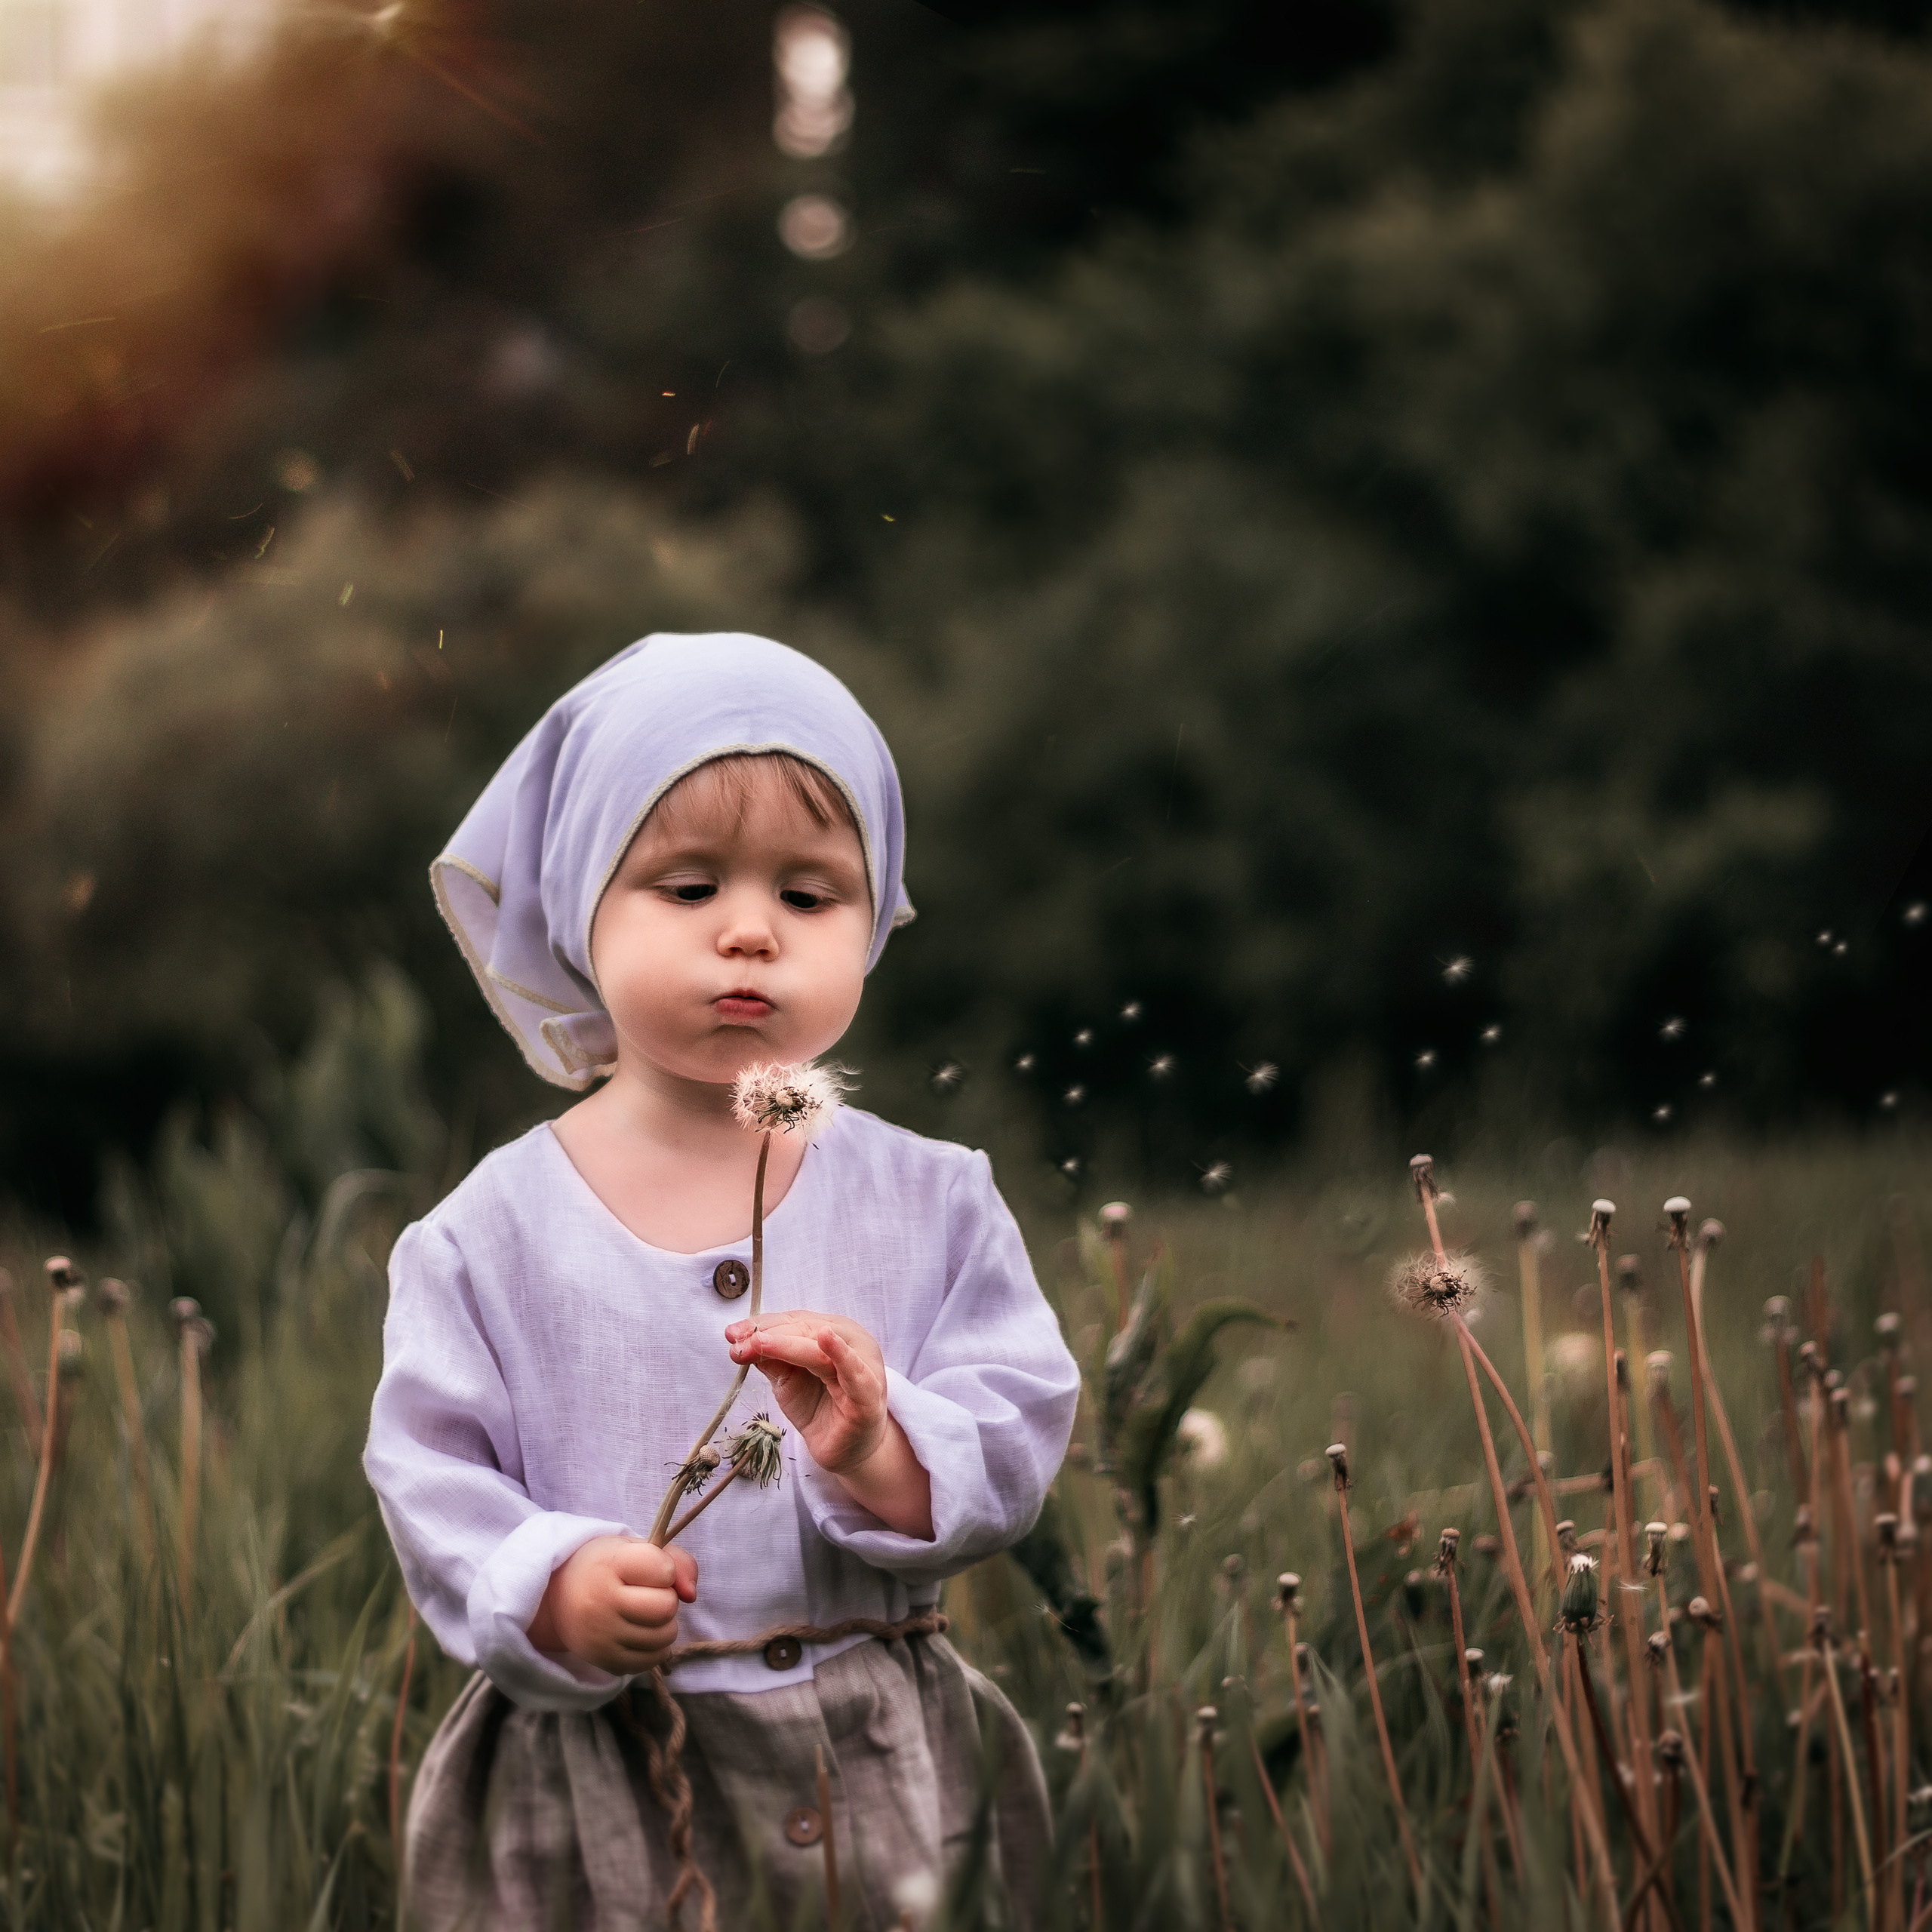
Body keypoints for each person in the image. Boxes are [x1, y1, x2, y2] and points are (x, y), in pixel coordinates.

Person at [364, 632, 1081, 1931]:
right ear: (582, 907)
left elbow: (1016, 1421)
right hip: (606, 1773)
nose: (751, 931)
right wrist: (553, 1583)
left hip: (877, 1764)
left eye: (811, 898)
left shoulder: (936, 1199)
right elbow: (429, 1474)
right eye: (687, 887)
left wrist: (886, 1452)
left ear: (876, 920)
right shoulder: (484, 1236)